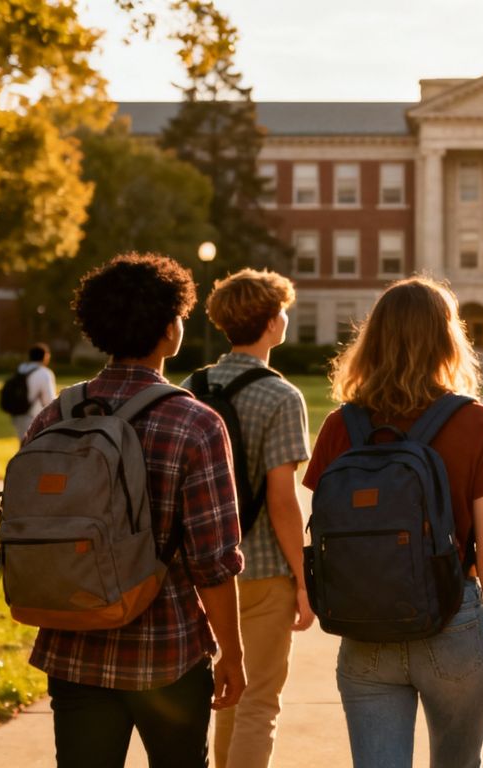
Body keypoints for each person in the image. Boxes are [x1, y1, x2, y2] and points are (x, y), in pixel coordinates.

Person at [24, 253, 246, 767]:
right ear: (170, 330)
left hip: (73, 645)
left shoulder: (58, 412)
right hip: (166, 652)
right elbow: (213, 561)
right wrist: (232, 654)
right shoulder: (195, 423)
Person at [303, 276, 483, 768]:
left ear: (373, 339)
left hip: (365, 623)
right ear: (449, 338)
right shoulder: (478, 423)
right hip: (453, 620)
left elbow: (323, 532)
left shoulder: (343, 425)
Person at [181, 268, 314, 768]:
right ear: (273, 323)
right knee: (259, 701)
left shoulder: (190, 386)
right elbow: (283, 500)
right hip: (261, 570)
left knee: (228, 696)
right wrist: (303, 578)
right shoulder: (282, 397)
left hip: (198, 569)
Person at [10, 343, 58, 441]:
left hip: (17, 413)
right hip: (34, 416)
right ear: (45, 356)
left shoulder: (21, 369)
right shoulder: (44, 373)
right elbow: (49, 400)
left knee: (23, 445)